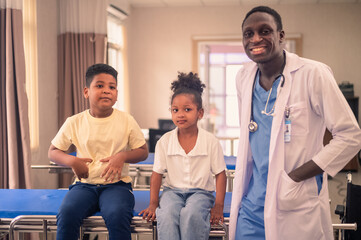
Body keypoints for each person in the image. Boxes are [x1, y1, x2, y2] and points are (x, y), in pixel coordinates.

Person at [229, 6, 361, 240]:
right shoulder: (243, 77)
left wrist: (296, 176)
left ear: (281, 36)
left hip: (294, 199)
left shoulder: (313, 74)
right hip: (252, 204)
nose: (256, 39)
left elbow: (351, 136)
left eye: (265, 31)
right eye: (248, 34)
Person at [48, 63, 148, 240]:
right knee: (67, 214)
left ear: (116, 93)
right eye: (99, 86)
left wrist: (122, 156)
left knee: (117, 214)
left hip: (117, 185)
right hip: (84, 186)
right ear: (86, 92)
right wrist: (72, 161)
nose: (107, 91)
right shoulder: (74, 121)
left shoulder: (126, 120)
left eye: (112, 87)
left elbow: (142, 151)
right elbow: (53, 151)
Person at [139, 72, 227, 240]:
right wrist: (153, 203)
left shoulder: (210, 141)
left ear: (200, 113)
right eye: (175, 110)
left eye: (187, 110)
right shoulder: (164, 141)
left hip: (201, 193)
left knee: (191, 214)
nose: (180, 114)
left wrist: (219, 205)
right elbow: (156, 174)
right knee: (167, 214)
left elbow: (220, 174)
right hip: (172, 192)